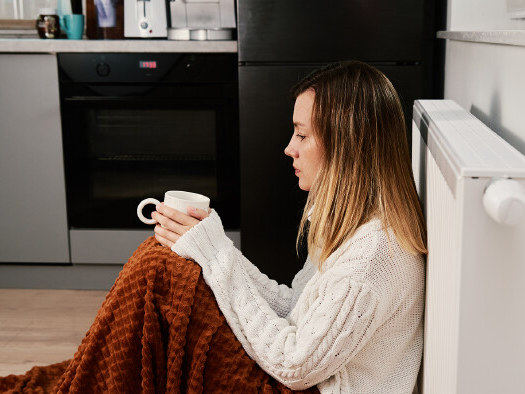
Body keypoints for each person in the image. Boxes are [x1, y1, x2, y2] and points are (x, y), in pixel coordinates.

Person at [151, 60, 427, 394]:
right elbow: (296, 307)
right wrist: (210, 247)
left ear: (346, 144)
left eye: (302, 134)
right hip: (301, 379)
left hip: (305, 386)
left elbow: (294, 366)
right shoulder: (353, 223)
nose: (289, 148)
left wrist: (215, 254)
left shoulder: (371, 258)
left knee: (160, 275)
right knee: (165, 266)